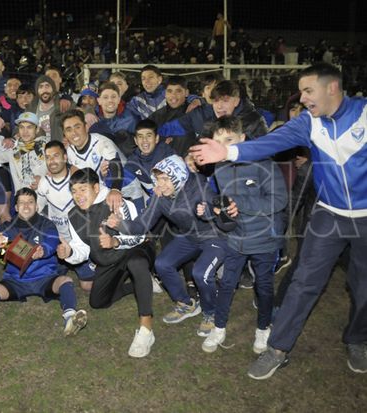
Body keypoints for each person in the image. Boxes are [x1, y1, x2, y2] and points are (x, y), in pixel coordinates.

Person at [189, 62, 367, 378]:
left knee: (363, 284)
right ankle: (277, 348)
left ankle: (357, 338)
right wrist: (228, 153)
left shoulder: (364, 114)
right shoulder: (308, 123)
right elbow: (268, 143)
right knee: (303, 282)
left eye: (308, 90)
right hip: (329, 214)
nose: (302, 97)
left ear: (332, 88)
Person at [107, 155, 231, 338]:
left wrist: (211, 212)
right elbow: (142, 225)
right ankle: (186, 304)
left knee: (200, 273)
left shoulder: (200, 187)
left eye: (165, 179)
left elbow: (222, 215)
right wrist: (120, 224)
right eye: (158, 179)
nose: (160, 184)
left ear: (178, 176)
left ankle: (211, 313)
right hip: (190, 236)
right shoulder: (160, 196)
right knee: (162, 264)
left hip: (215, 237)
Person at [198, 116, 287, 354]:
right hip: (236, 236)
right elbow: (226, 203)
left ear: (243, 139)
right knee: (227, 283)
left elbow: (279, 200)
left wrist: (240, 202)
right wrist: (215, 211)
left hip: (264, 237)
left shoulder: (264, 163)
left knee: (264, 285)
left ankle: (262, 329)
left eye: (229, 139)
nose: (223, 145)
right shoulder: (219, 166)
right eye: (218, 141)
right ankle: (219, 327)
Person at [0, 187, 88, 339]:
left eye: (30, 202)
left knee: (65, 280)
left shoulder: (47, 224)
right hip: (16, 280)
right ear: (15, 207)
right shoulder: (6, 227)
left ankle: (70, 319)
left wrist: (43, 250)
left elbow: (52, 240)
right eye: (22, 202)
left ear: (37, 206)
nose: (26, 206)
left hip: (45, 277)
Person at [60, 168, 155, 357]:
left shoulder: (115, 201)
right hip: (110, 260)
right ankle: (144, 284)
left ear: (96, 188)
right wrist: (69, 252)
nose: (78, 196)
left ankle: (146, 329)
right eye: (74, 191)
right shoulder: (73, 215)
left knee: (136, 263)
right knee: (97, 302)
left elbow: (141, 235)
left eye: (83, 189)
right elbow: (83, 249)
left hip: (137, 249)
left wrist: (115, 241)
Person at [36, 141, 95, 292]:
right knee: (45, 281)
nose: (52, 161)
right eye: (48, 157)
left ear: (65, 157)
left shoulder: (78, 180)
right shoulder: (43, 183)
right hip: (58, 242)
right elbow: (37, 210)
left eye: (56, 156)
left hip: (80, 242)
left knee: (87, 286)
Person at [61, 109, 144, 212]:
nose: (74, 133)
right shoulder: (70, 152)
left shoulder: (101, 142)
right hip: (104, 193)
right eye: (68, 130)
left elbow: (115, 164)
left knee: (139, 225)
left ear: (86, 127)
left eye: (77, 127)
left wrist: (115, 189)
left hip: (127, 187)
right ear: (64, 134)